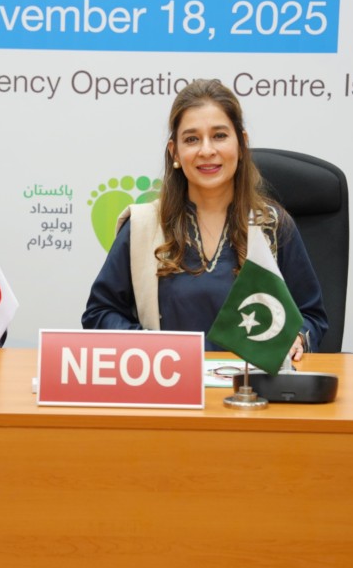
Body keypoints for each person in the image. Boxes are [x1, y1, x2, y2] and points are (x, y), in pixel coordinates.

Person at [82, 79, 328, 359]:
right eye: (192, 139)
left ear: (242, 144)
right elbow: (99, 313)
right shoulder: (143, 225)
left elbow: (310, 316)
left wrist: (298, 337)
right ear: (175, 152)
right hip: (168, 380)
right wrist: (153, 348)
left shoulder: (272, 225)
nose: (207, 150)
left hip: (250, 383)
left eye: (219, 136)